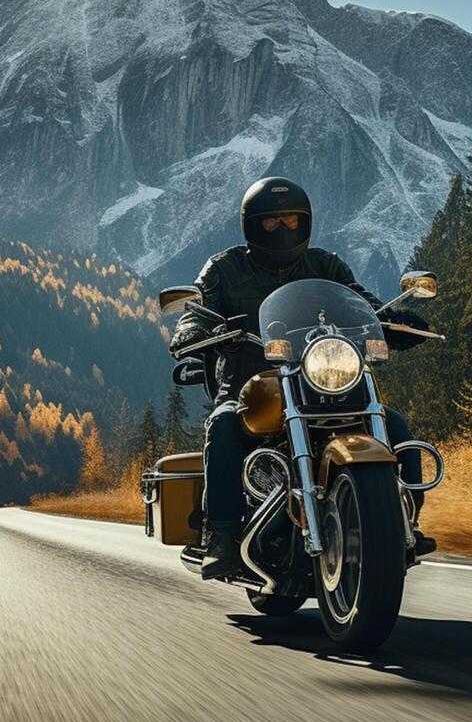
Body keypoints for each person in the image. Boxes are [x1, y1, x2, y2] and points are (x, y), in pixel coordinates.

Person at [169, 176, 436, 579]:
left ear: (305, 222)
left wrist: (392, 322)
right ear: (251, 225)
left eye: (290, 220)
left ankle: (405, 523)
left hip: (322, 383)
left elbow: (361, 301)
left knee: (394, 424)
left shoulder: (324, 265)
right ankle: (220, 535)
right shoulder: (225, 268)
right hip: (250, 386)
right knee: (223, 426)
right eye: (271, 222)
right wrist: (192, 329)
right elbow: (197, 306)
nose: (282, 228)